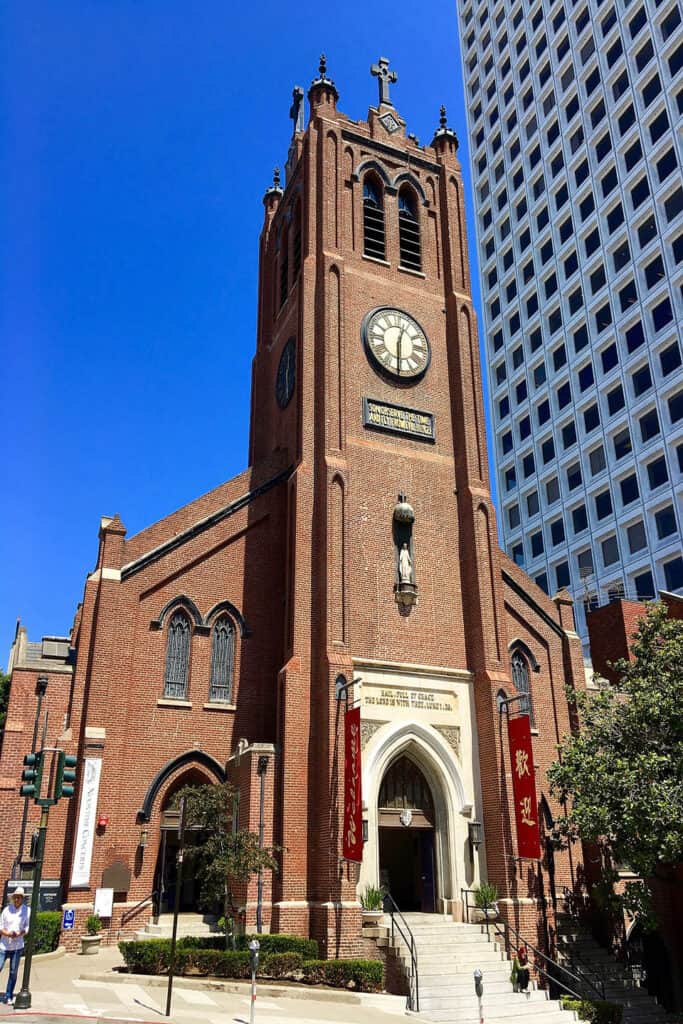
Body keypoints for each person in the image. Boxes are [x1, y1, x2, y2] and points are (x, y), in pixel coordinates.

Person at [0, 887, 30, 1003]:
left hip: (17, 946)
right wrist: (7, 934)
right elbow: (0, 926)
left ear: (22, 899)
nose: (17, 899)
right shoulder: (6, 910)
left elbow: (27, 927)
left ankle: (8, 995)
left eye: (19, 897)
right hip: (3, 945)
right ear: (12, 898)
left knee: (13, 972)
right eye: (15, 897)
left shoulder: (27, 911)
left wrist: (19, 934)